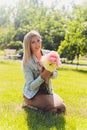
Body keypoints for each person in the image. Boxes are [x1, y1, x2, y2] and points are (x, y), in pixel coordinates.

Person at [22, 30, 66, 114]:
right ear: (28, 45)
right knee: (52, 110)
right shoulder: (27, 62)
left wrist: (51, 72)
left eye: (38, 41)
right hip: (33, 93)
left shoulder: (48, 54)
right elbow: (31, 86)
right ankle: (28, 102)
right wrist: (43, 76)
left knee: (62, 107)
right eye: (33, 42)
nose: (37, 44)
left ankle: (42, 103)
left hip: (47, 90)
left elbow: (55, 74)